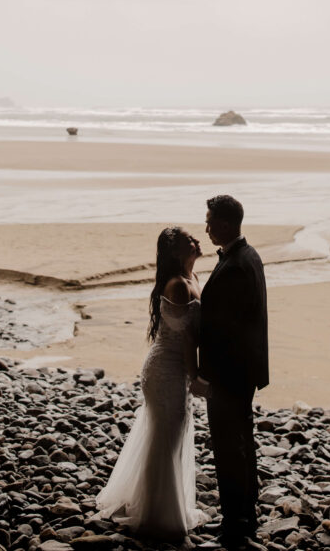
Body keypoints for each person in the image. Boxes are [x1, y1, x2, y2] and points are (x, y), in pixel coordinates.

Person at [96, 226, 206, 541]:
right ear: (175, 252)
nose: (197, 242)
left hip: (175, 369)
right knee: (166, 438)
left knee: (169, 435)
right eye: (189, 242)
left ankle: (160, 504)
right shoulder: (177, 287)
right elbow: (187, 338)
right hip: (166, 371)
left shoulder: (193, 279)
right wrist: (196, 377)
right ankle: (158, 516)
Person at [192, 194, 269, 551]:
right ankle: (245, 515)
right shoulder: (248, 255)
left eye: (209, 221)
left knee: (228, 448)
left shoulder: (237, 265)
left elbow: (225, 331)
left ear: (224, 223)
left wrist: (204, 374)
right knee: (241, 443)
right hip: (244, 370)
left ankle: (235, 524)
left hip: (229, 373)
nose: (205, 227)